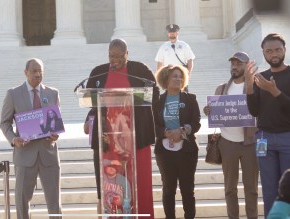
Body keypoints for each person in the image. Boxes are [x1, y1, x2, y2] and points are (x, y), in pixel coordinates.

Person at [83, 38, 159, 218]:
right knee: (110, 187)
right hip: (108, 142)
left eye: (119, 56)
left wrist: (128, 98)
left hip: (136, 139)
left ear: (127, 54)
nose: (114, 60)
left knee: (139, 184)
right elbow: (91, 101)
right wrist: (89, 118)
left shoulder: (140, 70)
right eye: (111, 56)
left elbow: (154, 95)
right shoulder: (98, 72)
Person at [0, 58, 62, 219]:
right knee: (21, 202)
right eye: (34, 71)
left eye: (40, 70)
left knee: (55, 203)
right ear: (25, 72)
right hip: (25, 155)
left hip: (49, 155)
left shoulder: (52, 93)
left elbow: (54, 122)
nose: (37, 74)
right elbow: (4, 123)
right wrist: (14, 139)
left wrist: (55, 135)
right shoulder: (13, 94)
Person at [204, 52, 259, 219]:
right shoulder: (221, 89)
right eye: (233, 63)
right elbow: (218, 113)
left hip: (249, 143)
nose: (235, 66)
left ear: (247, 66)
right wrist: (209, 111)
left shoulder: (255, 87)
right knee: (229, 188)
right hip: (227, 143)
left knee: (251, 188)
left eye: (239, 63)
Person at [245, 32, 290, 217]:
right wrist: (249, 87)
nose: (274, 54)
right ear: (263, 53)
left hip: (287, 137)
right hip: (264, 140)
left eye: (278, 49)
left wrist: (275, 91)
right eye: (269, 51)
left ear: (285, 50)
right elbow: (254, 111)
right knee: (269, 189)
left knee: (288, 188)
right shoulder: (260, 78)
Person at [154, 65, 201, 219]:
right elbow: (153, 124)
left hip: (187, 150)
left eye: (181, 76)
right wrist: (164, 133)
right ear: (165, 79)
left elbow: (196, 123)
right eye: (174, 76)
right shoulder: (158, 101)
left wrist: (182, 130)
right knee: (169, 189)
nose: (178, 79)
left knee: (187, 190)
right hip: (165, 151)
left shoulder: (190, 98)